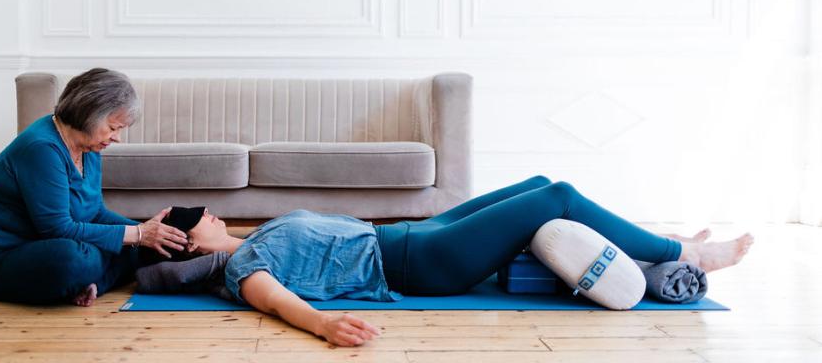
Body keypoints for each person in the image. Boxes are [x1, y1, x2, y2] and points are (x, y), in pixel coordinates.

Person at [135, 176, 754, 347]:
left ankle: (657, 253)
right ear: (194, 244)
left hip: (414, 234)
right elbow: (279, 302)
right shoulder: (247, 270)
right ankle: (684, 252)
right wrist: (323, 324)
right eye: (202, 221)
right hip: (420, 264)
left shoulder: (256, 236)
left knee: (538, 182)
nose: (212, 215)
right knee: (557, 197)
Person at [0, 68, 189, 307]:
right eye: (112, 127)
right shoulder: (41, 148)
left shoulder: (88, 147)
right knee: (75, 260)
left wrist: (146, 232)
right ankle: (88, 277)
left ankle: (90, 284)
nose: (117, 137)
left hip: (45, 247)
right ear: (89, 114)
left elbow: (96, 212)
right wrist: (138, 235)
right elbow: (57, 229)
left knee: (153, 245)